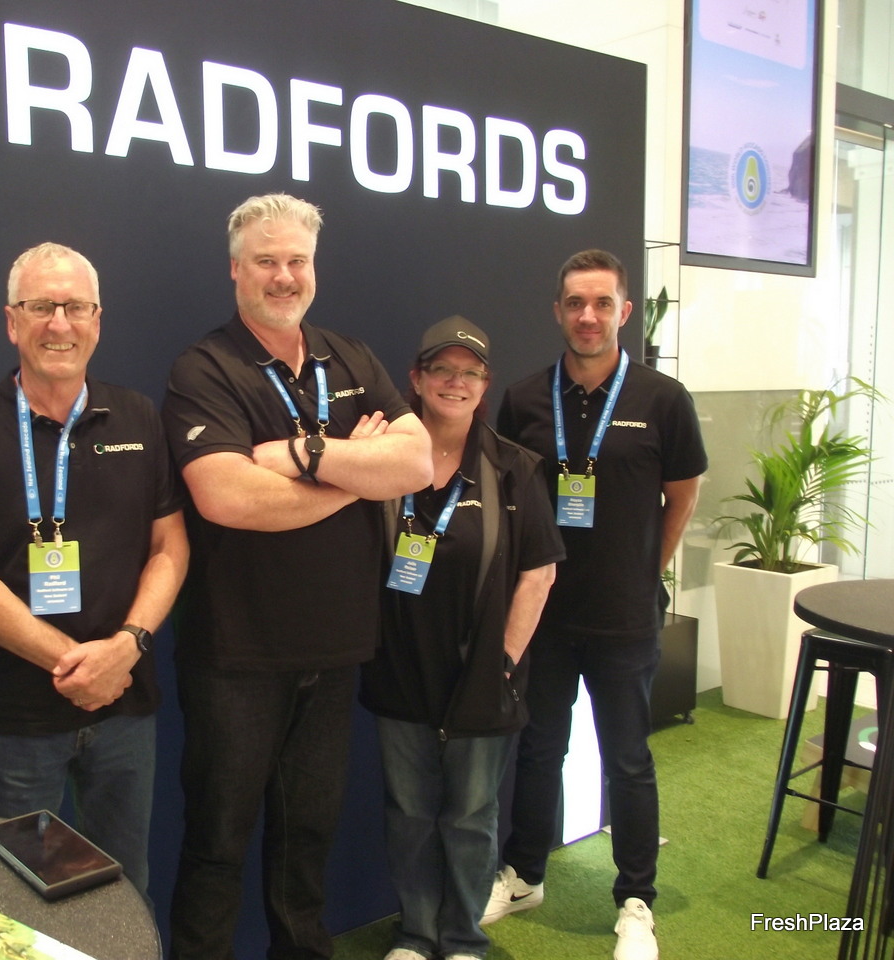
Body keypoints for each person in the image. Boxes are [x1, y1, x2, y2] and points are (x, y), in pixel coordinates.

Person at [162, 193, 433, 960]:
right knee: (217, 843)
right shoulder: (203, 369)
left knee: (306, 842)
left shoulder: (349, 357)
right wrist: (358, 472)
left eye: (297, 261)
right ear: (235, 270)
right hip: (237, 660)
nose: (284, 276)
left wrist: (306, 456)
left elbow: (416, 461)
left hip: (335, 649)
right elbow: (228, 497)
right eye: (266, 262)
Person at [0, 242, 187, 898]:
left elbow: (170, 548)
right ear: (11, 321)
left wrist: (126, 648)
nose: (59, 323)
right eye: (41, 306)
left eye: (75, 307)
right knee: (15, 894)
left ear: (98, 320)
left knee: (123, 888)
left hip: (126, 702)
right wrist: (77, 665)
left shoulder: (137, 416)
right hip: (16, 717)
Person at [487, 250, 707, 960]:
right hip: (545, 615)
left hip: (623, 618)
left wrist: (645, 570)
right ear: (558, 311)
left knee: (628, 759)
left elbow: (683, 496)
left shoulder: (663, 398)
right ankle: (525, 874)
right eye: (576, 303)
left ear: (624, 312)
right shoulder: (524, 398)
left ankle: (636, 901)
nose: (588, 316)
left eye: (602, 303)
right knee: (538, 748)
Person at [360, 315, 564, 960]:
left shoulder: (513, 467)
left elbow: (539, 573)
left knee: (472, 815)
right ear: (416, 379)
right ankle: (417, 934)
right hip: (400, 669)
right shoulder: (383, 459)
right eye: (442, 370)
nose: (456, 382)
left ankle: (463, 938)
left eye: (469, 373)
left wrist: (502, 661)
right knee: (409, 813)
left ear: (485, 384)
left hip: (483, 675)